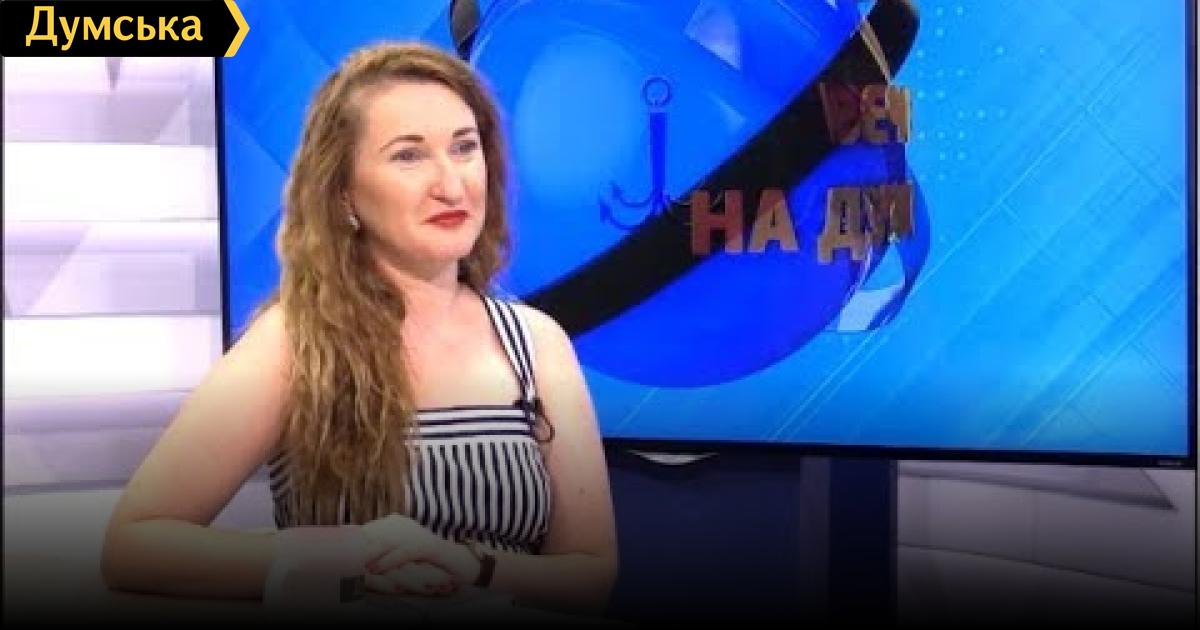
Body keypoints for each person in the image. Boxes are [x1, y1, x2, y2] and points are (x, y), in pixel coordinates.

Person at [100, 41, 619, 617]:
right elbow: (135, 545)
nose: (451, 185)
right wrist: (341, 556)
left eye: (464, 148)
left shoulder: (536, 344)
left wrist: (472, 565)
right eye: (408, 156)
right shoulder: (293, 342)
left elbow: (589, 574)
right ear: (344, 192)